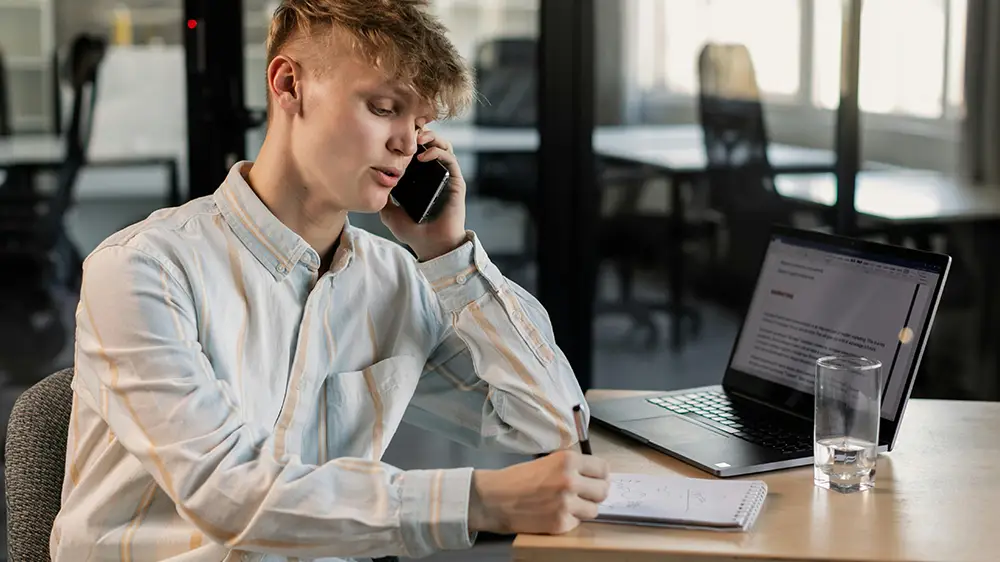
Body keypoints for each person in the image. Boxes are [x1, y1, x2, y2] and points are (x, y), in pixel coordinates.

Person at [50, 1, 610, 560]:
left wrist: (448, 255)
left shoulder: (394, 280)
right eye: (384, 107)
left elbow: (555, 422)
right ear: (288, 84)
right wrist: (476, 501)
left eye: (419, 125)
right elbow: (224, 490)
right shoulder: (142, 269)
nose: (407, 144)